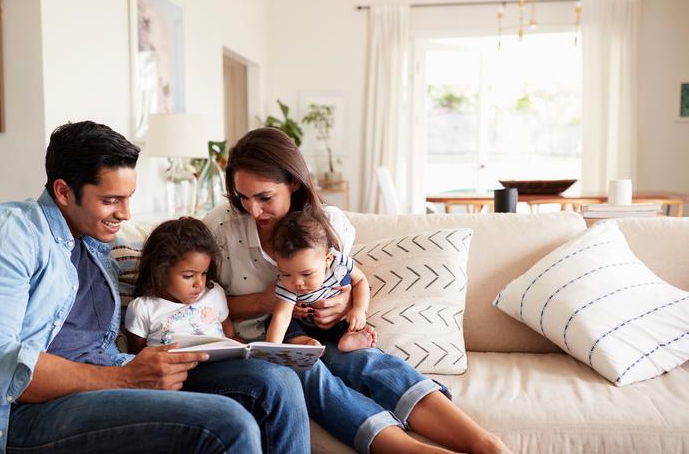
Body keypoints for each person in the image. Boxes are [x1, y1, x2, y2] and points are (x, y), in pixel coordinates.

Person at [0, 121, 309, 454]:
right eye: (111, 200)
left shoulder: (96, 241)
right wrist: (126, 378)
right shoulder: (6, 233)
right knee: (227, 422)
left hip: (114, 374)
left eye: (128, 198)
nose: (126, 214)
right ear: (63, 192)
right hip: (33, 411)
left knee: (276, 381)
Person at [204, 127, 510, 454]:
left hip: (325, 330)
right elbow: (199, 304)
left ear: (293, 182)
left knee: (365, 360)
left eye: (265, 197)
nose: (253, 210)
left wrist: (342, 306)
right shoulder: (220, 226)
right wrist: (266, 301)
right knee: (304, 371)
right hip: (264, 342)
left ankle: (486, 444)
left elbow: (347, 281)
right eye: (242, 197)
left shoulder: (330, 223)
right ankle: (411, 449)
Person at [266, 209, 377, 352]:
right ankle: (304, 342)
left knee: (350, 321)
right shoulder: (287, 285)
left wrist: (359, 309)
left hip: (337, 321)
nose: (297, 282)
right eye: (286, 274)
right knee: (274, 320)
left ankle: (349, 338)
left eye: (306, 274)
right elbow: (282, 316)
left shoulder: (338, 264)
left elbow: (360, 280)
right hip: (305, 326)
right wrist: (271, 350)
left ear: (327, 259)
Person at [124, 217, 240, 351]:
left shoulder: (214, 292)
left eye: (204, 273)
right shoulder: (143, 308)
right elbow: (138, 359)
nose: (199, 284)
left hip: (223, 365)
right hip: (179, 370)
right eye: (188, 276)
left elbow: (231, 336)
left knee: (263, 369)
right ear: (160, 271)